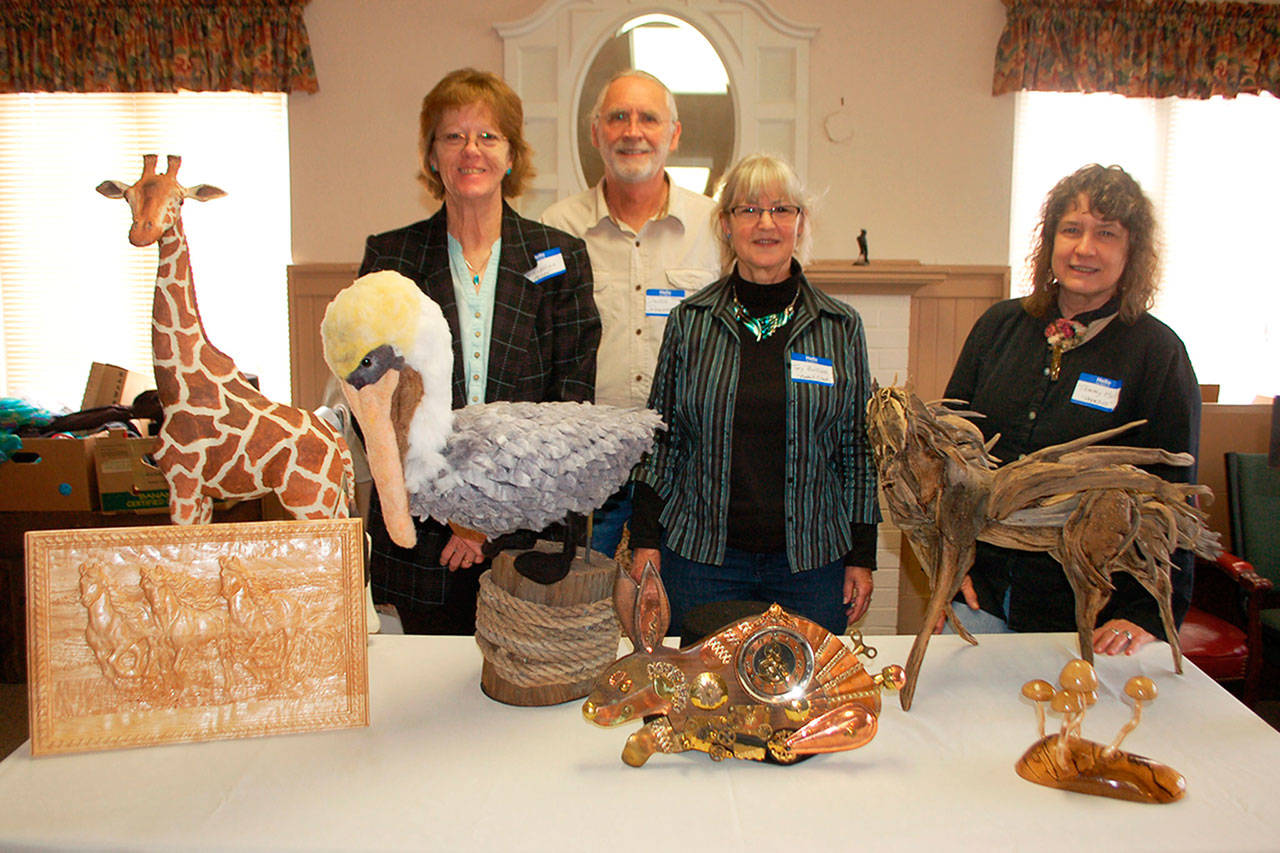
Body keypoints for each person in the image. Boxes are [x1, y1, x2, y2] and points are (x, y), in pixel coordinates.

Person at [357, 68, 600, 634]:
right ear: (432, 156)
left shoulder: (560, 257)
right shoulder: (390, 257)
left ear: (511, 156)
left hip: (530, 531)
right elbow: (378, 408)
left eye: (488, 136)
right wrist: (456, 515)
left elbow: (569, 407)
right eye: (453, 136)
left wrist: (487, 518)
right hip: (422, 534)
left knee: (528, 703)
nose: (472, 150)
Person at [944, 163, 1199, 656]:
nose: (1085, 248)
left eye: (1106, 233)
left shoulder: (1158, 353)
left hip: (1095, 619)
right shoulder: (998, 327)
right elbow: (952, 462)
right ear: (1051, 242)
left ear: (1132, 252)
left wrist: (1147, 614)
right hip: (983, 601)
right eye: (1072, 230)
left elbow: (1175, 501)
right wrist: (951, 564)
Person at [628, 153, 880, 637]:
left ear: (800, 224)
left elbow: (857, 449)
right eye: (748, 210)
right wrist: (645, 541)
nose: (766, 223)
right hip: (703, 563)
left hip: (811, 565)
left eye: (781, 210)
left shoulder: (840, 326)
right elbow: (661, 439)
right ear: (725, 225)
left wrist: (861, 555)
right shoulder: (690, 322)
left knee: (802, 707)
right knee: (704, 704)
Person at [541, 69, 720, 559]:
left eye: (649, 118)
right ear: (596, 132)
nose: (632, 131)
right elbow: (538, 344)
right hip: (588, 468)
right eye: (617, 117)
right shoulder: (554, 229)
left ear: (674, 134)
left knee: (679, 617)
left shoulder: (716, 228)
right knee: (583, 611)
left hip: (687, 469)